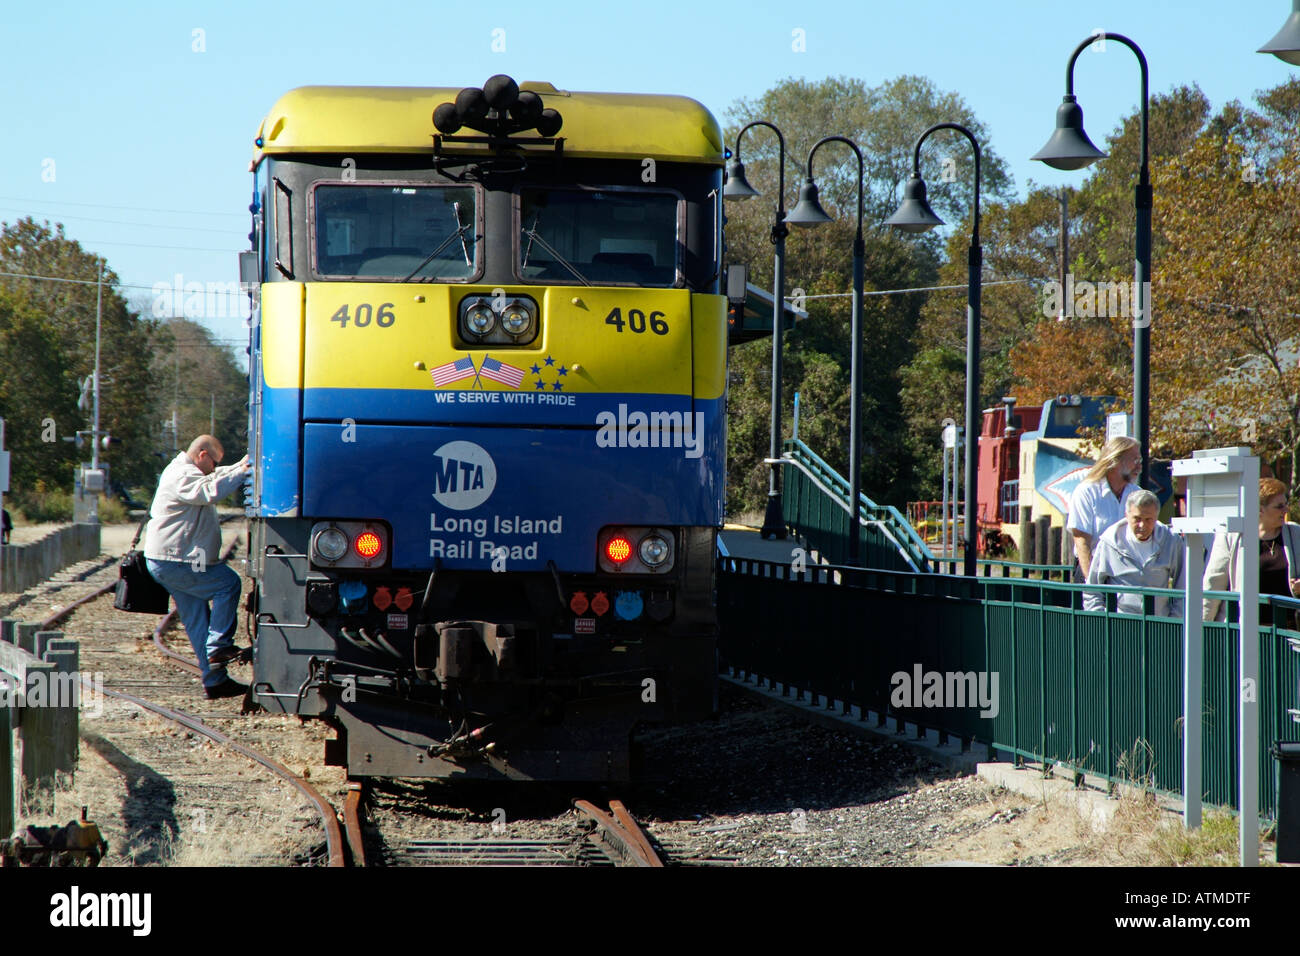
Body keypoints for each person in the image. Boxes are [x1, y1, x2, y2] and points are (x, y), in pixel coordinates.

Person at [143, 435, 251, 699]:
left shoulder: (190, 472)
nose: (214, 469)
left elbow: (213, 479)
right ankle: (219, 648)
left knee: (197, 622)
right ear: (202, 455)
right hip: (174, 560)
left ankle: (214, 681)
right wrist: (242, 472)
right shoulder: (182, 474)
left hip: (174, 560)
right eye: (213, 463)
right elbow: (209, 490)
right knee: (228, 584)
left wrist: (241, 466)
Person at [1203, 477, 1300, 626]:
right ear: (1260, 509)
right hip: (1245, 630)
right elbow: (1213, 584)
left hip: (1287, 628)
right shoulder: (1232, 536)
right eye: (1279, 506)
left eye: (1286, 504)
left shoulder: (1295, 533)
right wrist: (1204, 627)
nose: (1286, 510)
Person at [1084, 489, 1185, 617]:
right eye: (1137, 519)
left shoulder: (1171, 540)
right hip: (1119, 625)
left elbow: (1184, 586)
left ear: (1156, 517)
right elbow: (1092, 589)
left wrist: (1173, 622)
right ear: (1126, 515)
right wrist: (1101, 622)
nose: (1142, 525)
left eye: (1149, 519)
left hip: (1158, 626)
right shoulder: (1109, 542)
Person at [1067, 435, 1141, 583]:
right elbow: (1082, 542)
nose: (1139, 466)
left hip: (1127, 573)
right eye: (1135, 460)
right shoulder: (1087, 492)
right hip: (1093, 568)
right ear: (1116, 461)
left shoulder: (1136, 494)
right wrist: (1092, 584)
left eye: (1140, 461)